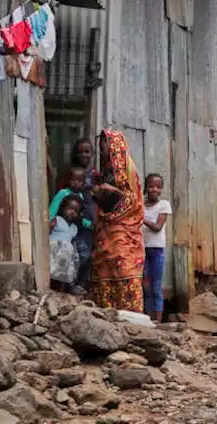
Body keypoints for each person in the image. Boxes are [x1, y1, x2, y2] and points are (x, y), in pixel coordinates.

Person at [90, 130, 146, 312]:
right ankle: (107, 310)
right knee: (104, 266)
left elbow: (133, 200)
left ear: (116, 147)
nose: (102, 149)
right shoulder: (106, 171)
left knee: (125, 267)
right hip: (106, 228)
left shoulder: (126, 171)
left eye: (106, 144)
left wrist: (111, 191)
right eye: (101, 145)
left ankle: (131, 312)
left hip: (123, 228)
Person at [48, 165, 92, 295]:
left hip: (72, 231)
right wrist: (51, 220)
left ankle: (71, 284)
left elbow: (80, 215)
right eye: (73, 180)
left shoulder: (81, 196)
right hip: (58, 231)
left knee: (79, 258)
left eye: (79, 181)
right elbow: (53, 209)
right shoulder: (63, 193)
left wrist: (89, 224)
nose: (76, 183)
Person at [62, 138, 98, 292]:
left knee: (88, 255)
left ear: (92, 154)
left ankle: (82, 284)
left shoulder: (95, 175)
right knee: (74, 253)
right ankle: (71, 284)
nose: (84, 155)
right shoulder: (71, 174)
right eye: (80, 152)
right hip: (73, 220)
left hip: (89, 220)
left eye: (87, 151)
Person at [141, 173, 172, 322]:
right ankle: (148, 318)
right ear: (146, 188)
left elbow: (158, 227)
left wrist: (141, 218)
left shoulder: (164, 205)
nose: (154, 189)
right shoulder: (140, 204)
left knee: (156, 287)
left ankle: (158, 320)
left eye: (158, 187)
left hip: (156, 251)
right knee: (146, 287)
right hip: (142, 250)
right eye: (151, 186)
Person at [49, 196, 82, 292]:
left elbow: (72, 242)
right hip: (55, 249)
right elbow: (47, 231)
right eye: (70, 209)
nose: (72, 212)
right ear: (63, 208)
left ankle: (62, 289)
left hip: (66, 254)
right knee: (52, 269)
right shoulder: (57, 220)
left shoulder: (74, 228)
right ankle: (50, 286)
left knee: (65, 271)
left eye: (76, 211)